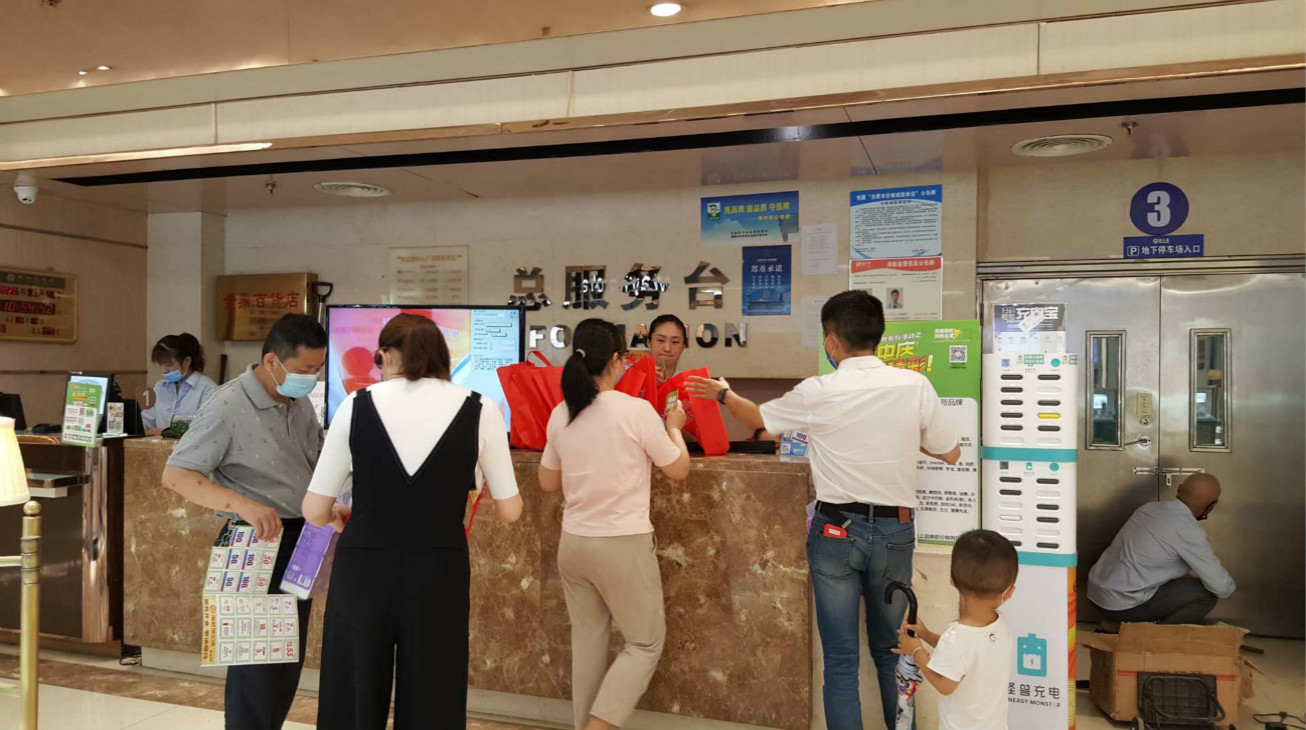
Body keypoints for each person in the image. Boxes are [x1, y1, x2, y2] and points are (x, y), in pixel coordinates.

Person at [687, 290, 960, 730]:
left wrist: (723, 395)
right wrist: (906, 436)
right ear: (877, 335)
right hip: (895, 533)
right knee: (894, 650)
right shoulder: (915, 386)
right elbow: (950, 452)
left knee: (840, 659)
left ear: (832, 340)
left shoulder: (819, 390)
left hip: (836, 532)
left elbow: (758, 419)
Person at [303, 313, 523, 730]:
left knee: (353, 691)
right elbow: (510, 511)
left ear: (386, 355)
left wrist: (336, 517)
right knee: (434, 692)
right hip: (439, 568)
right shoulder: (480, 408)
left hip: (364, 566)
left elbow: (314, 509)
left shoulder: (356, 405)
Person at [161, 314, 327, 730]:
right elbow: (177, 475)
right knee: (256, 669)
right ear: (272, 361)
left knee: (285, 663)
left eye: (318, 369)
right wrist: (244, 506)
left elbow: (312, 462)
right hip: (254, 544)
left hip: (301, 541)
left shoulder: (299, 402)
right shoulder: (227, 405)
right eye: (305, 369)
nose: (311, 378)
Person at [538, 318, 691, 730]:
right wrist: (674, 429)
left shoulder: (562, 413)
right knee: (645, 642)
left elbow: (547, 482)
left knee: (588, 644)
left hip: (574, 544)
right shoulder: (635, 411)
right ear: (618, 360)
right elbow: (678, 469)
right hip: (622, 543)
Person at [894, 529, 1017, 730]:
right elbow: (963, 656)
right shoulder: (1000, 625)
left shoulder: (958, 636)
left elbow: (945, 684)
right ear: (1009, 591)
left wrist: (916, 651)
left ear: (952, 579)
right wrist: (926, 635)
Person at [1087, 473, 1235, 627]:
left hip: (1097, 595)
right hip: (1121, 605)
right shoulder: (1189, 531)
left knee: (1187, 581)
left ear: (1179, 488)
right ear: (1212, 505)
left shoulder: (1149, 508)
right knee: (1205, 595)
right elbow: (1222, 588)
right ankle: (1154, 637)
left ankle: (1116, 625)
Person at [142, 333, 217, 436]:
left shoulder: (208, 389)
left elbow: (205, 428)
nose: (165, 370)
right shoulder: (159, 387)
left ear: (187, 361)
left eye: (169, 365)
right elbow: (146, 420)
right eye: (162, 365)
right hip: (158, 445)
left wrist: (163, 432)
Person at [648, 313, 688, 383]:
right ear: (649, 343)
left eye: (675, 342)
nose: (667, 348)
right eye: (661, 340)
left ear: (683, 347)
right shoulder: (630, 378)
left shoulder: (688, 385)